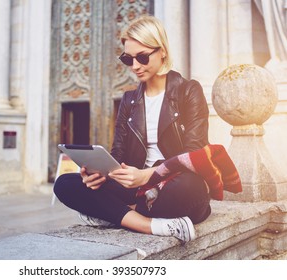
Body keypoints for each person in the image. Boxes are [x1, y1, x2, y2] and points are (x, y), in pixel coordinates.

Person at [54, 15, 211, 243]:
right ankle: (151, 224)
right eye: (128, 59)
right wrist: (98, 174)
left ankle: (115, 213)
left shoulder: (188, 91)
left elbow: (193, 154)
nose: (135, 66)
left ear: (162, 51)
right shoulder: (129, 100)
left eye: (143, 57)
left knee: (190, 187)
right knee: (65, 184)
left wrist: (147, 175)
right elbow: (117, 154)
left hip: (172, 184)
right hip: (135, 187)